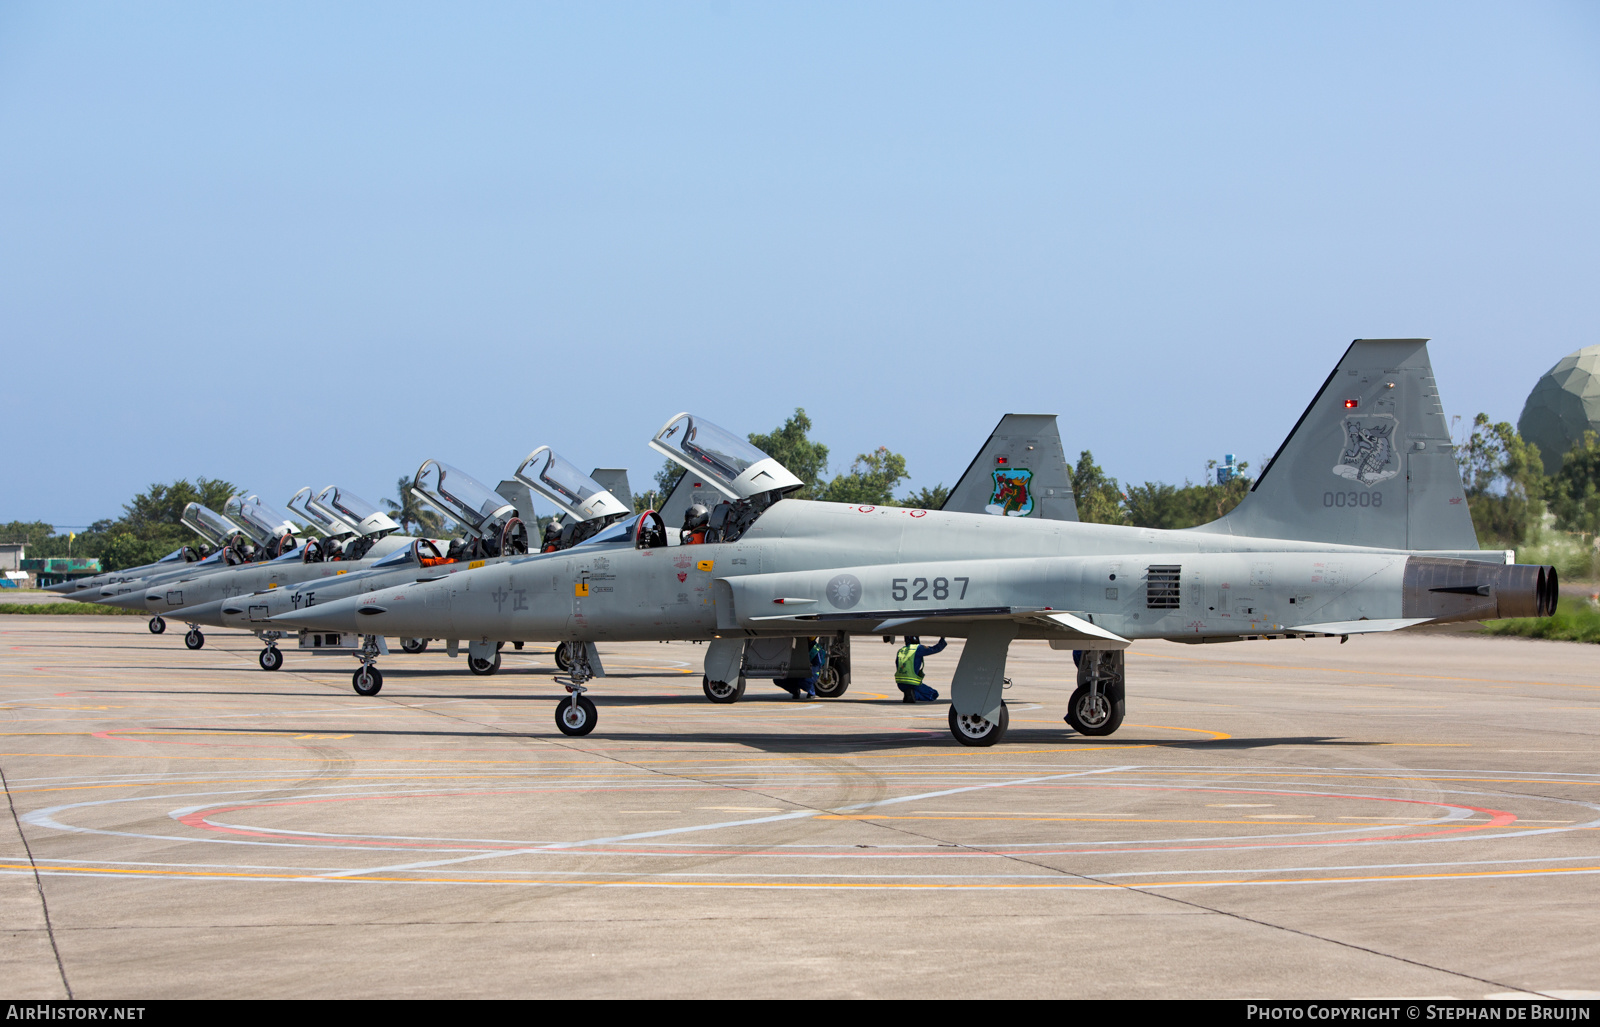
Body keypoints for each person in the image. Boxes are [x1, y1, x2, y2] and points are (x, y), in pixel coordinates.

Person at [894, 635, 947, 702]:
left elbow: (897, 664)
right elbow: (936, 649)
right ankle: (914, 695)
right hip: (912, 683)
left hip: (900, 684)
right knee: (933, 694)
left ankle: (910, 694)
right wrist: (942, 639)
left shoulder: (901, 650)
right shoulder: (918, 648)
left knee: (915, 690)